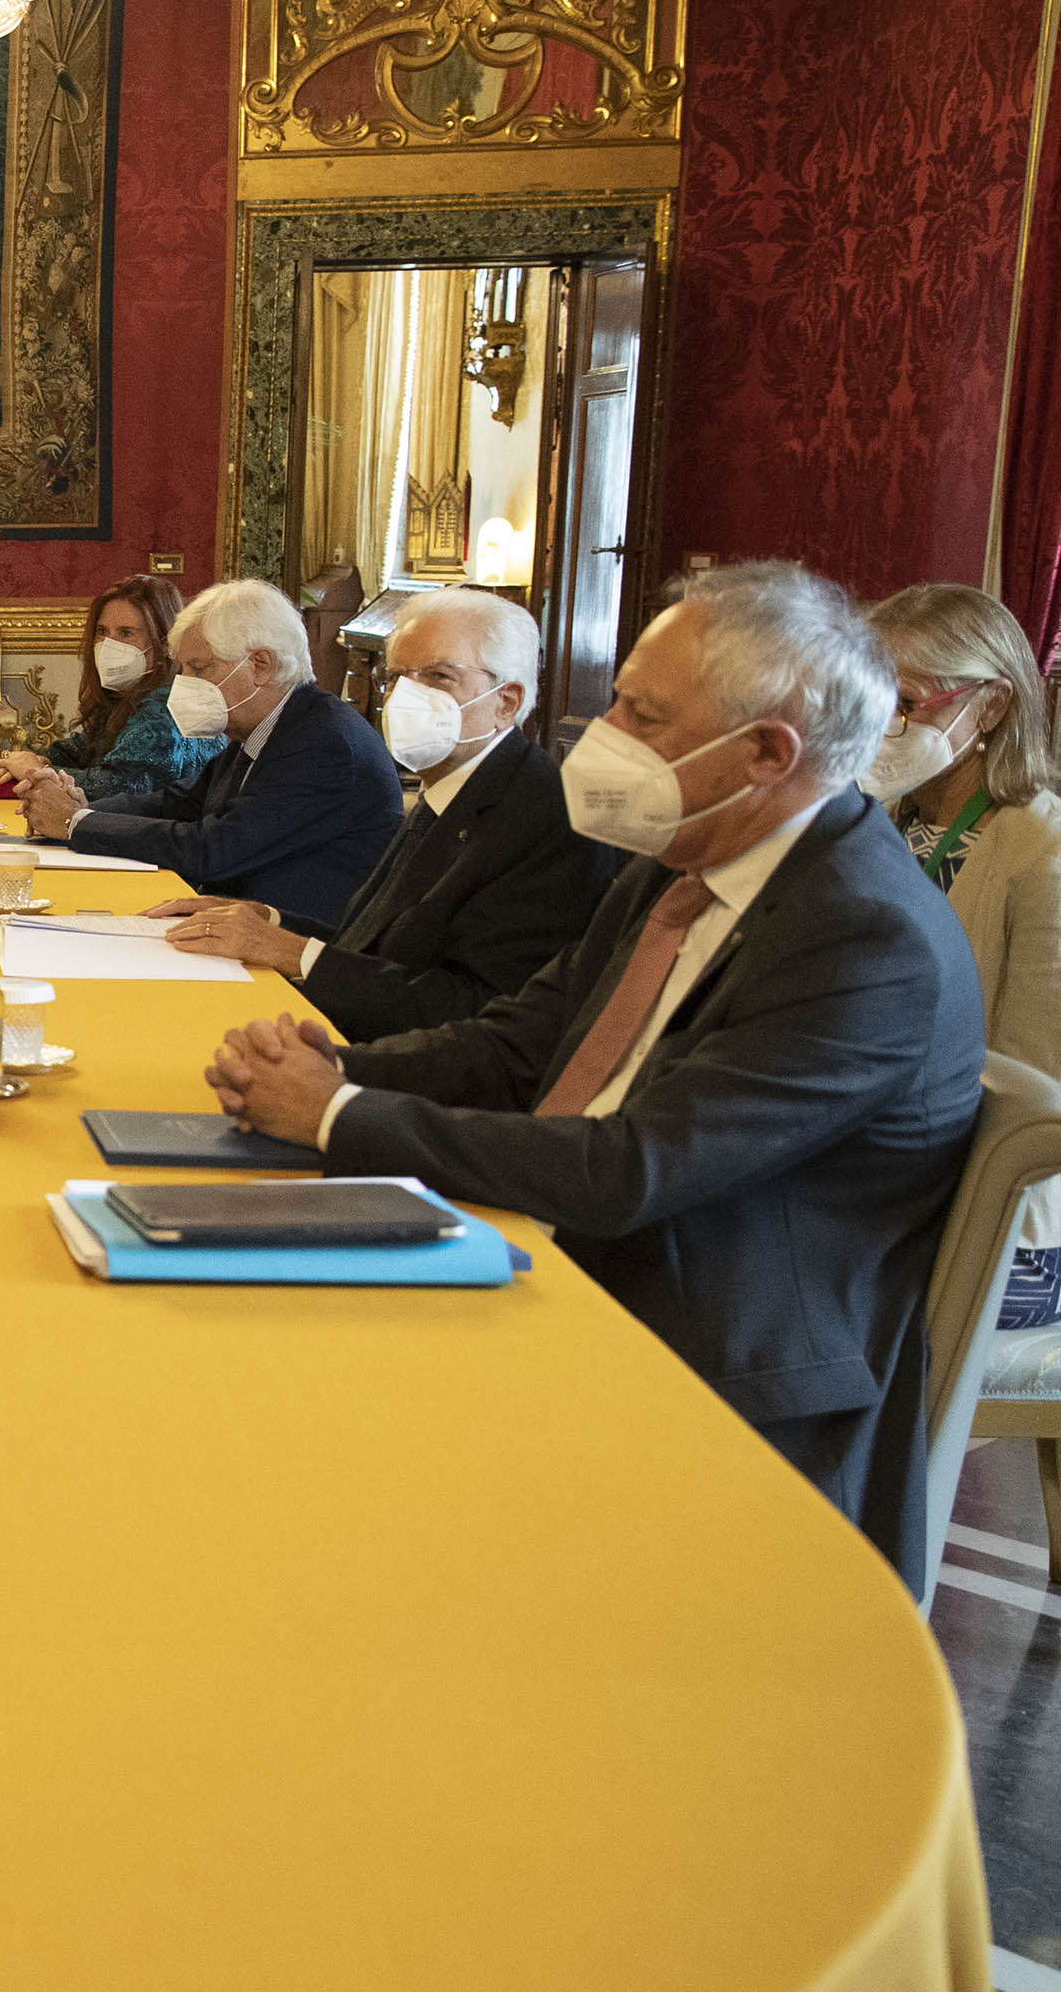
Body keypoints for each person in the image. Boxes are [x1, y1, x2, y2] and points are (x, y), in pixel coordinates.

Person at [207, 562, 986, 1582]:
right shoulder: (686, 859)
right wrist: (334, 1063)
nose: (601, 733)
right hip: (568, 1264)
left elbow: (631, 1170)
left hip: (706, 1381)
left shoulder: (863, 935)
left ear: (767, 753)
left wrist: (337, 1115)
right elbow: (519, 1042)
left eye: (642, 715)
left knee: (284, 1451)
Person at [157, 586, 614, 1041]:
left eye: (439, 676)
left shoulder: (543, 816)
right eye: (396, 677)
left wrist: (294, 953)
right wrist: (267, 920)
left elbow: (480, 1010)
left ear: (506, 702)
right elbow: (376, 944)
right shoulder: (447, 791)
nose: (406, 696)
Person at [866, 582, 1061, 1324]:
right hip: (887, 1171)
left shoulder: (1041, 851)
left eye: (906, 702)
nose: (883, 724)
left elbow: (1033, 1087)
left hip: (1002, 1216)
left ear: (991, 706)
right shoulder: (881, 820)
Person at [19, 577, 398, 924]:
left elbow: (213, 849)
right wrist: (82, 807)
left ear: (260, 665)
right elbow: (177, 803)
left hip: (290, 951)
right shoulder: (262, 729)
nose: (183, 683)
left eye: (199, 669)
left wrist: (75, 822)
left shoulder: (324, 743)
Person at [0, 573, 203, 802]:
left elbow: (118, 787)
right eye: (102, 632)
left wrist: (36, 771)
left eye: (126, 633)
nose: (108, 645)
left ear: (166, 644)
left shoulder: (166, 708)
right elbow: (82, 750)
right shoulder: (127, 696)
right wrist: (37, 758)